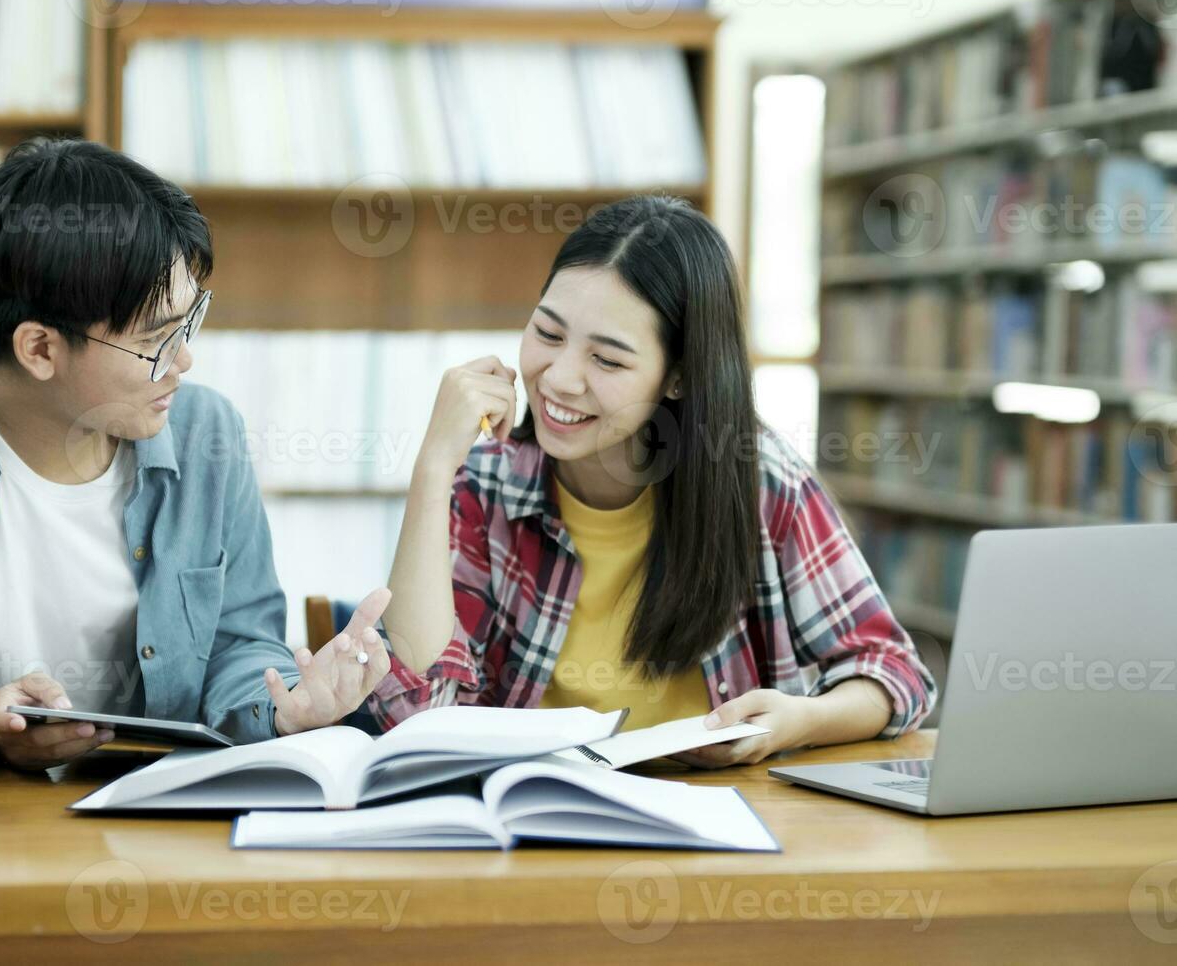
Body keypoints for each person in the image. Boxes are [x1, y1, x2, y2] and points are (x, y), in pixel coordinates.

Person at [0, 139, 391, 769]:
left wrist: (282, 705)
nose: (185, 362)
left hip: (152, 814)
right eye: (156, 342)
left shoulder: (208, 436)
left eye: (189, 322)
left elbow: (239, 644)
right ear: (38, 350)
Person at [367, 195, 935, 766]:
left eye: (608, 361)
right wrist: (433, 469)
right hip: (535, 824)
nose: (560, 380)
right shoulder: (488, 483)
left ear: (679, 377)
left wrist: (800, 721)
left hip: (727, 828)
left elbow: (895, 675)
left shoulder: (759, 483)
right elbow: (415, 717)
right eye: (548, 332)